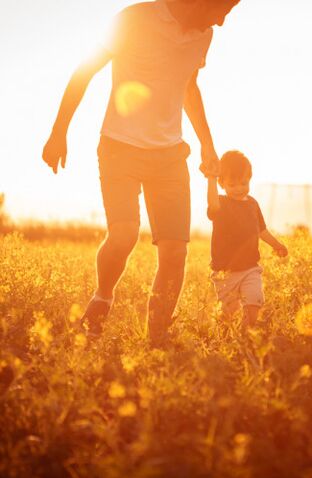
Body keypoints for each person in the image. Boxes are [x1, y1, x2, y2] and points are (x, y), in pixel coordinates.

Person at [42, 0, 240, 347]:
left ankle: (157, 340)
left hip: (170, 156)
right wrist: (59, 132)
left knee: (176, 253)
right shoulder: (135, 18)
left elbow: (189, 86)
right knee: (123, 236)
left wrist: (207, 144)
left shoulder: (203, 35)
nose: (222, 22)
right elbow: (85, 70)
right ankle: (103, 296)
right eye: (222, 9)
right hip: (120, 147)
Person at [207, 150, 288, 328]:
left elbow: (262, 230)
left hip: (250, 267)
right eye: (232, 184)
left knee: (254, 302)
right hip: (225, 271)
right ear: (222, 183)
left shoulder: (252, 204)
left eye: (244, 183)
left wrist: (277, 244)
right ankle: (225, 338)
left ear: (250, 179)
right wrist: (211, 178)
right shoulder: (221, 203)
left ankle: (245, 334)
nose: (239, 188)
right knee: (228, 313)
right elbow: (212, 204)